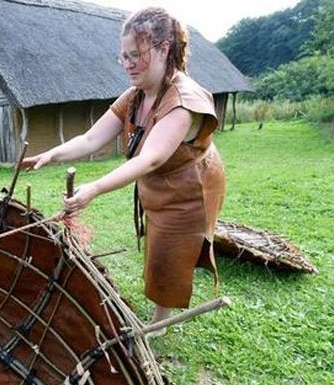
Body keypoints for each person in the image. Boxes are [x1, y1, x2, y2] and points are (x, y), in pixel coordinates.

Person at [21, 7, 226, 326]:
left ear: (163, 49)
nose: (127, 64)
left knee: (169, 250)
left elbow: (151, 158)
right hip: (159, 180)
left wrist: (95, 188)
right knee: (157, 242)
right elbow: (90, 139)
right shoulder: (135, 96)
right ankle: (161, 303)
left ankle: (160, 321)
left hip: (189, 185)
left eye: (135, 55)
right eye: (123, 57)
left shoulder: (184, 101)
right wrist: (52, 154)